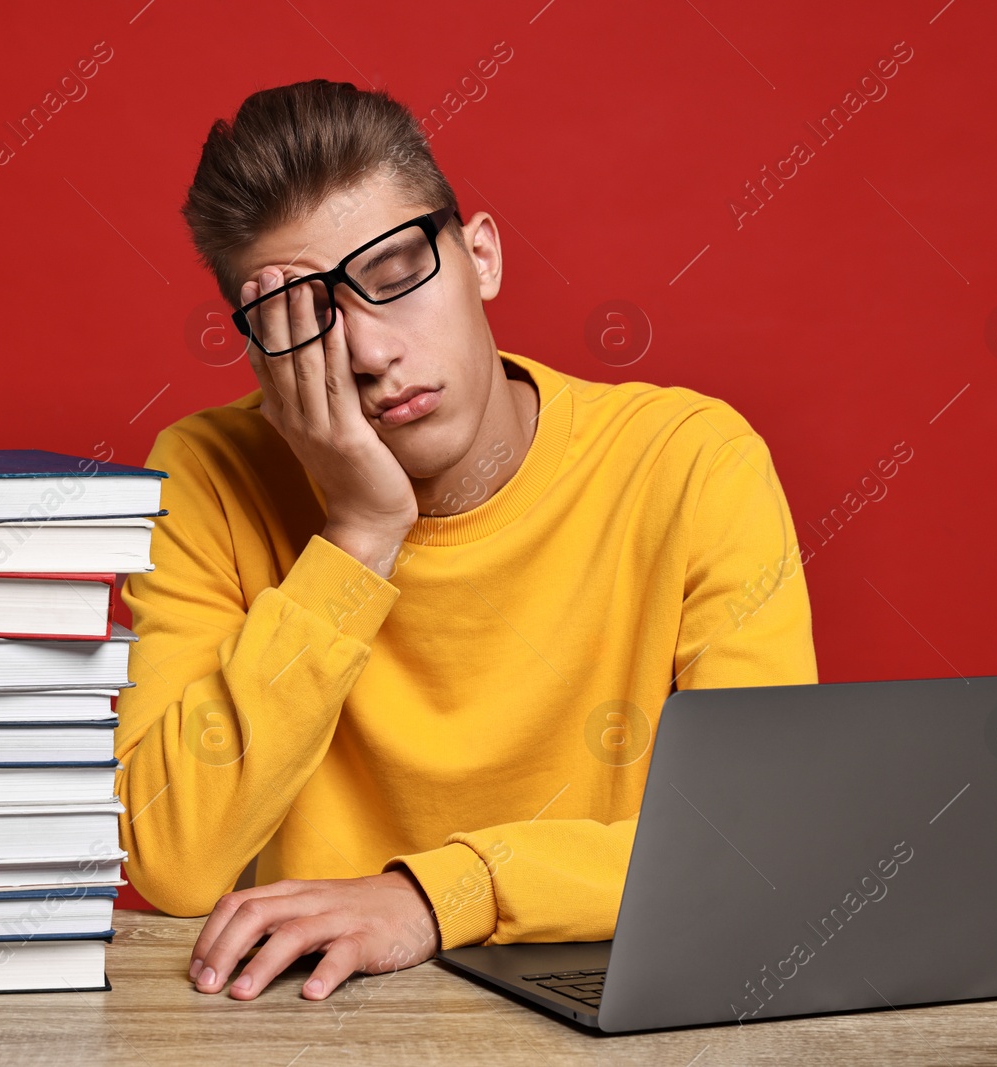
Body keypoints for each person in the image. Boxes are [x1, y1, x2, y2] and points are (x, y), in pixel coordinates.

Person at [113, 78, 818, 1004]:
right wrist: (359, 533)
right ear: (258, 351)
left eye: (397, 273)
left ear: (481, 255)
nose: (366, 353)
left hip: (629, 1006)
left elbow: (761, 840)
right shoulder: (207, 475)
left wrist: (437, 894)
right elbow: (171, 857)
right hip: (314, 1025)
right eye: (304, 317)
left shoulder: (689, 462)